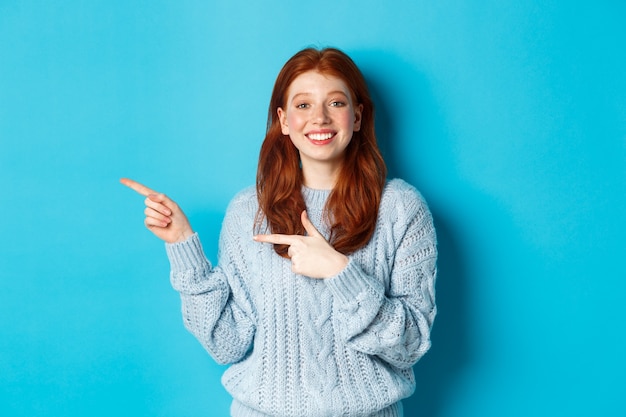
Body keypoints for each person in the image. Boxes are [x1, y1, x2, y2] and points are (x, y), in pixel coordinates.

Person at [121, 47, 437, 417]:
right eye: (303, 105)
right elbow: (227, 344)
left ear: (357, 117)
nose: (319, 118)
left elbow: (411, 345)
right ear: (283, 120)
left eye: (335, 103)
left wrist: (340, 272)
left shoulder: (401, 208)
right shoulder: (247, 211)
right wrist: (181, 246)